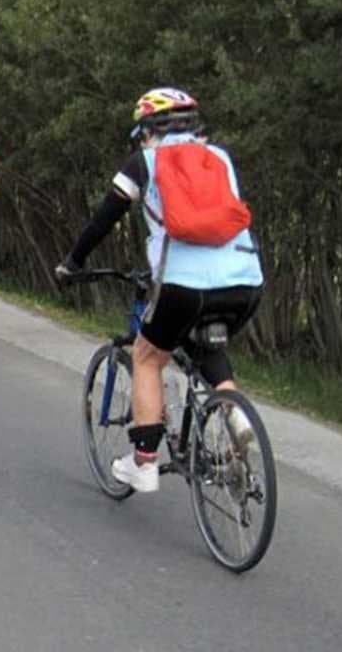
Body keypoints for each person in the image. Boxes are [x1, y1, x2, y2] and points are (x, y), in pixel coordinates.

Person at [54, 87, 263, 493]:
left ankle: (144, 463)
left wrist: (71, 263)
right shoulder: (219, 158)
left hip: (184, 285)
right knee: (207, 349)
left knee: (148, 357)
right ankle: (235, 415)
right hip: (246, 281)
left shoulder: (143, 163)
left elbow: (102, 220)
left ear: (148, 129)